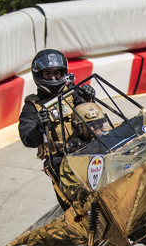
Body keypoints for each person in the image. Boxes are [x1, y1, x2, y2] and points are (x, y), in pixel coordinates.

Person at [18, 49, 95, 210]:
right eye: (48, 73)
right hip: (61, 159)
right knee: (64, 170)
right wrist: (39, 126)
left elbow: (96, 121)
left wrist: (89, 99)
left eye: (56, 73)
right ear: (39, 75)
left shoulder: (74, 93)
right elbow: (27, 138)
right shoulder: (32, 107)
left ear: (63, 73)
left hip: (88, 147)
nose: (53, 77)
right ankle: (82, 208)